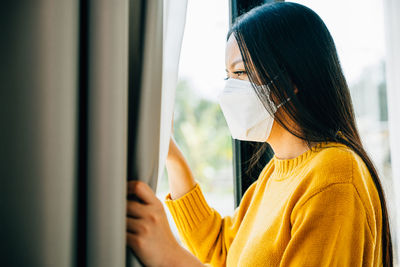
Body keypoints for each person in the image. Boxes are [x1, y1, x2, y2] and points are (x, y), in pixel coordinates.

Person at [126, 2, 393, 266]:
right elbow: (222, 247)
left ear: (292, 80)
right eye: (228, 76)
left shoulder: (334, 175)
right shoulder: (277, 172)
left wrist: (169, 256)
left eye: (240, 72)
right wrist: (172, 155)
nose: (229, 90)